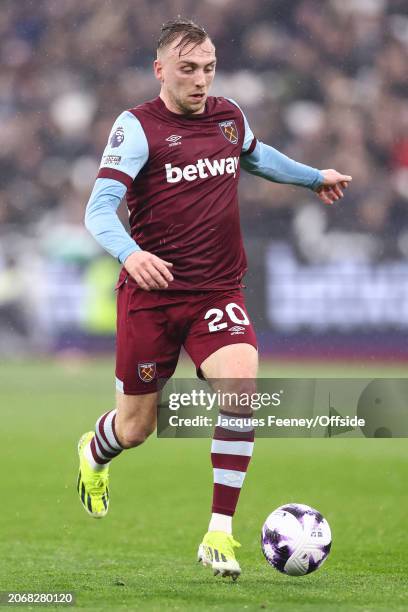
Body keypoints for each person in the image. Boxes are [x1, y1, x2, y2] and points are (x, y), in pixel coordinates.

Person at [78, 18, 351, 580]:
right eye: (188, 69)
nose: (201, 80)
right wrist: (131, 255)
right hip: (151, 294)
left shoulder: (228, 116)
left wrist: (311, 176)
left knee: (242, 387)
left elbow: (255, 156)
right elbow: (98, 210)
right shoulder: (137, 128)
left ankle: (218, 532)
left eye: (208, 68)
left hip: (217, 291)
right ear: (160, 70)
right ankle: (93, 452)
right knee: (134, 429)